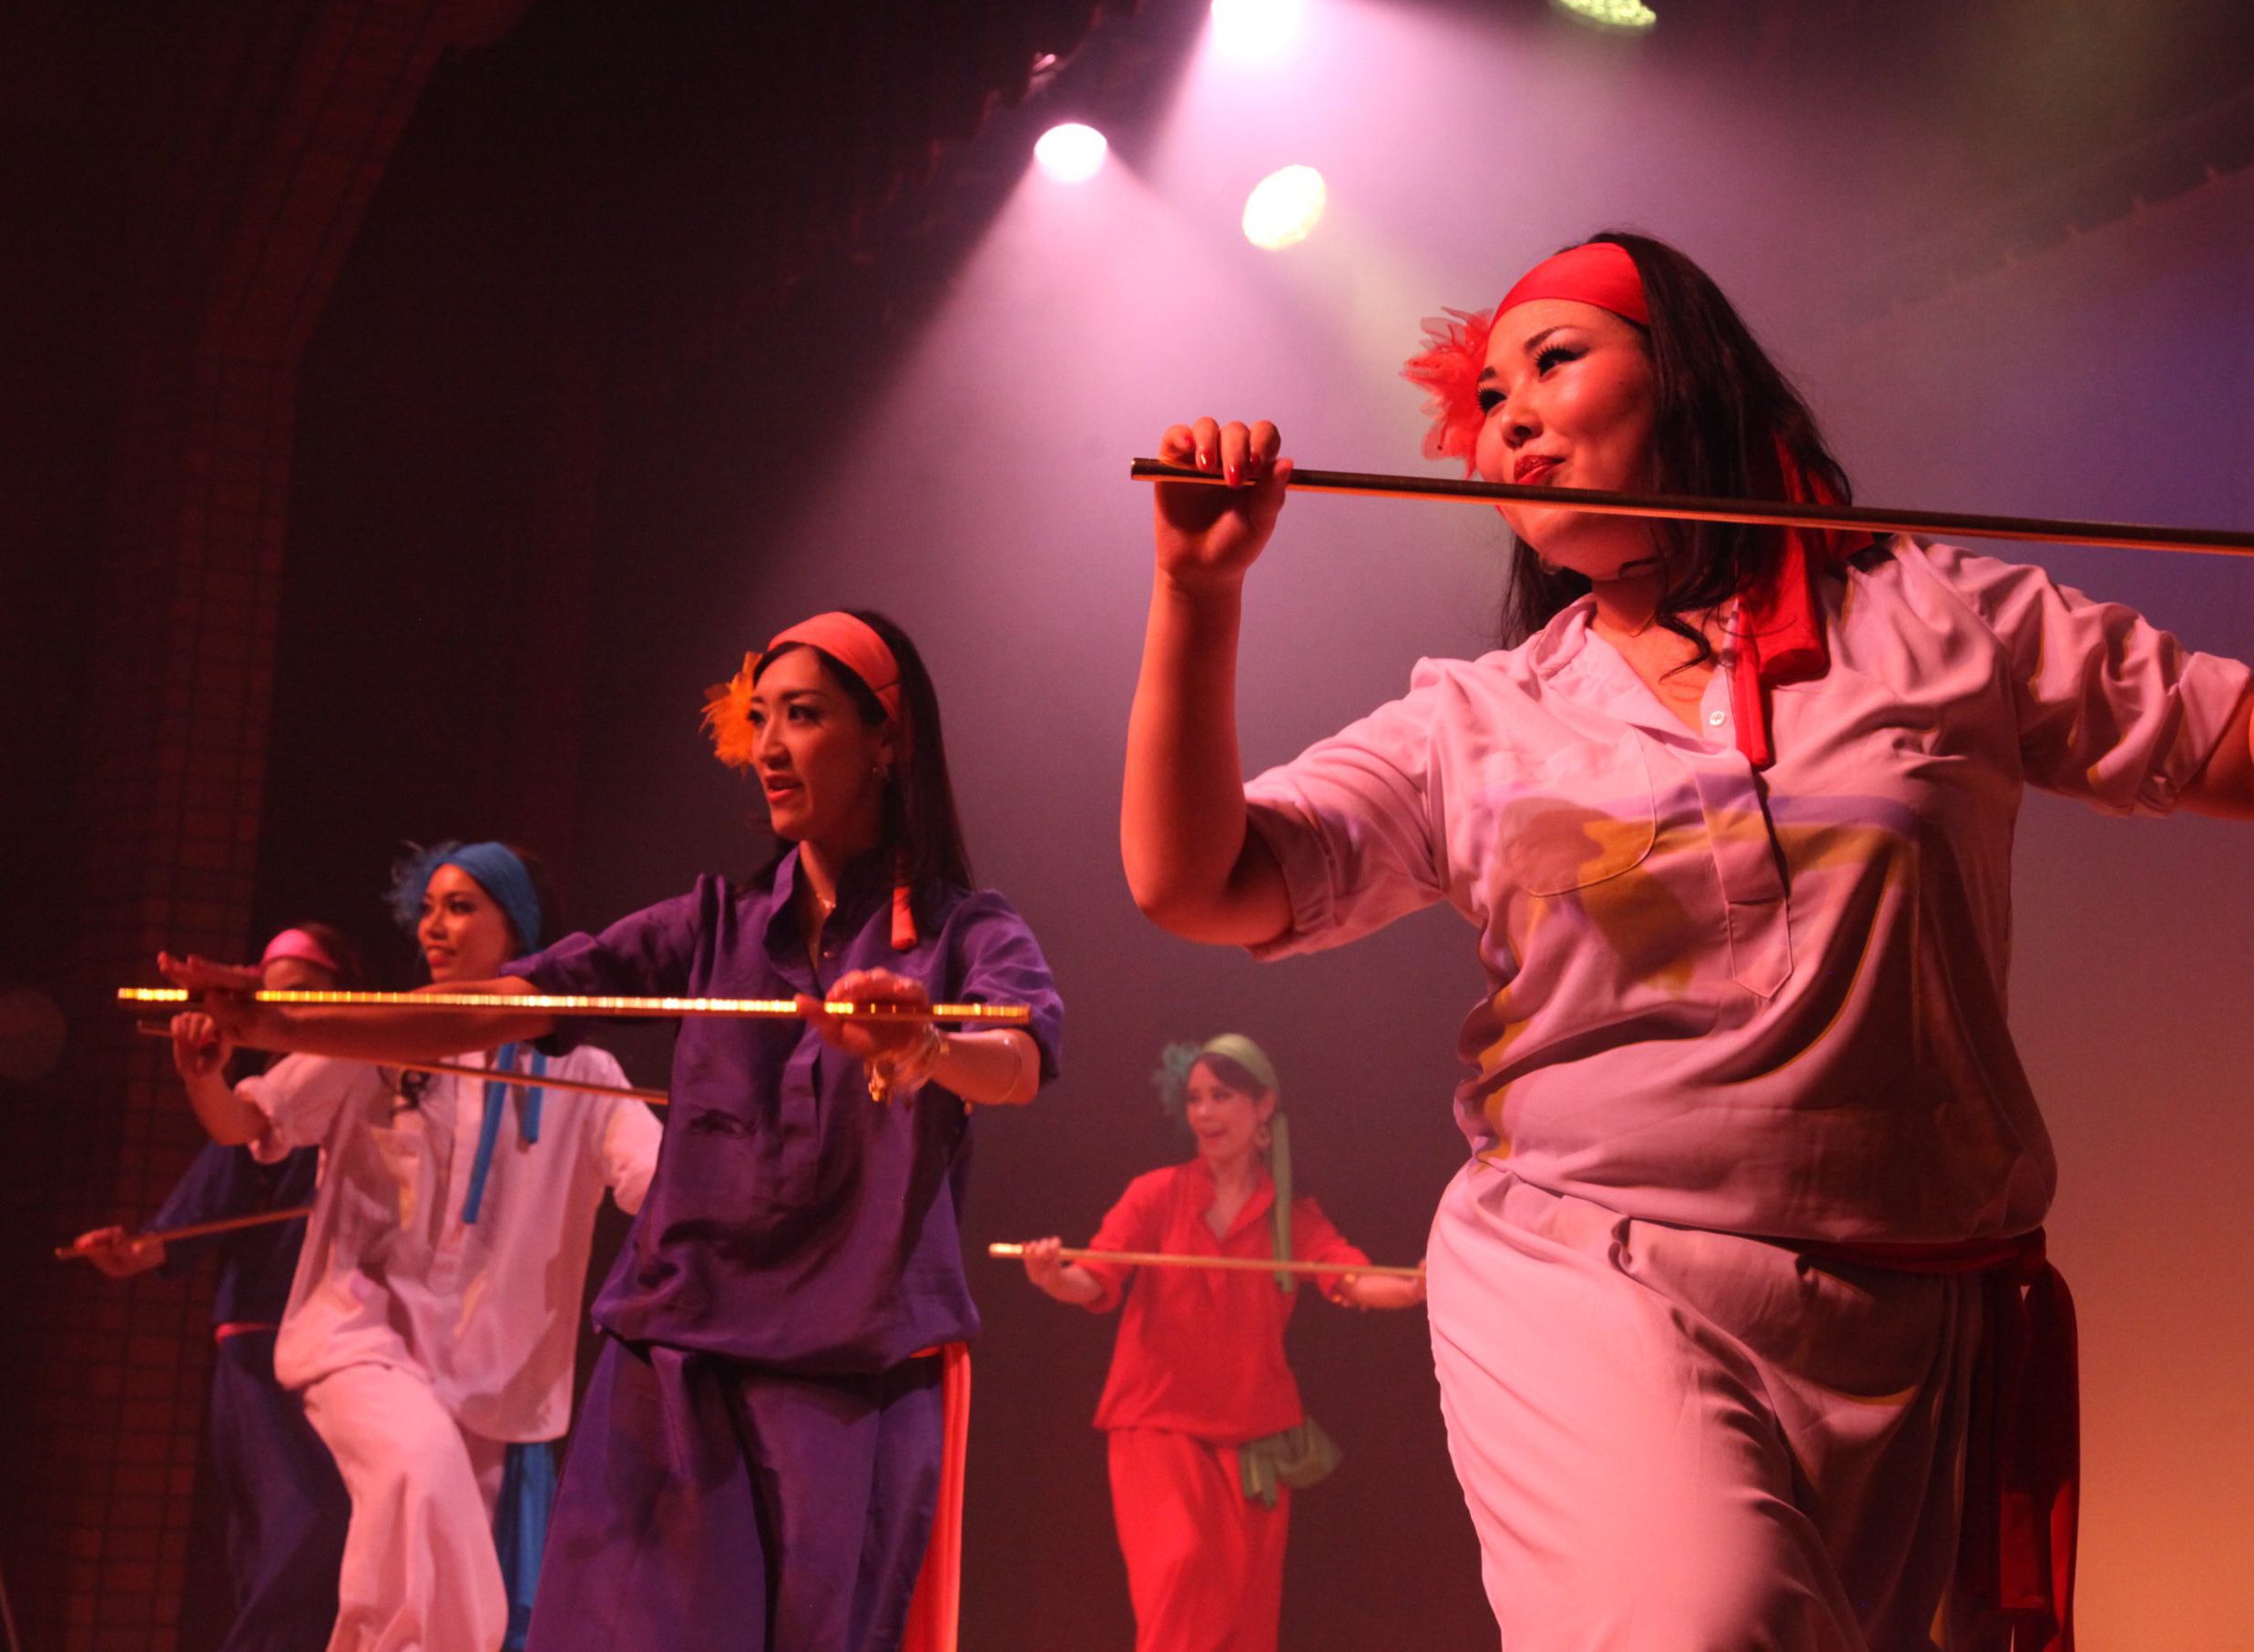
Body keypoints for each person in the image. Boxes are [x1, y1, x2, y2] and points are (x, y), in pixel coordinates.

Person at [1119, 231, 2254, 1650]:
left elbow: (2227, 740)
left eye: (1552, 362)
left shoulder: (1941, 619)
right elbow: (1195, 880)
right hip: (1590, 1273)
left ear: (1689, 376)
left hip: (1921, 1316)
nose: (1509, 417)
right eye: (1486, 400)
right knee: (1701, 1623)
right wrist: (1197, 593)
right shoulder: (1477, 716)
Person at [172, 611, 1065, 1652]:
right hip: (678, 1355)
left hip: (848, 1363)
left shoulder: (965, 929)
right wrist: (278, 1022)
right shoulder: (713, 924)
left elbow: (1018, 1058)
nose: (771, 746)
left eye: (805, 715)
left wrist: (926, 1046)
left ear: (885, 739)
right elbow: (494, 1008)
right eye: (761, 718)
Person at [158, 843, 663, 1652]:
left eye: (459, 907)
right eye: (427, 908)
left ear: (517, 927)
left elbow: (661, 1182)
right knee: (419, 1479)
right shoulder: (379, 1033)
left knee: (428, 1577)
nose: (433, 926)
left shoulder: (585, 1071)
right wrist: (203, 1078)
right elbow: (245, 1124)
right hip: (358, 1342)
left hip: (487, 1378)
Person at [1016, 1032, 1423, 1652]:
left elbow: (1348, 1277)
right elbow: (1094, 1277)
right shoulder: (1156, 1194)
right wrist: (1051, 1276)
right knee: (1180, 1571)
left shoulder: (1290, 1213)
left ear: (1264, 1106)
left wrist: (1414, 1288)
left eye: (1221, 1096)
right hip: (1157, 1425)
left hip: (1254, 1439)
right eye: (1194, 1099)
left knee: (1242, 1614)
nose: (1204, 1112)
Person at [71, 924, 358, 1652]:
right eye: (273, 997)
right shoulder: (269, 1108)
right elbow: (194, 1205)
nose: (286, 1011)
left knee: (347, 1541)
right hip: (264, 1349)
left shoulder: (378, 1083)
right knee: (307, 1522)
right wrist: (135, 1249)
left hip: (358, 1350)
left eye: (305, 996)